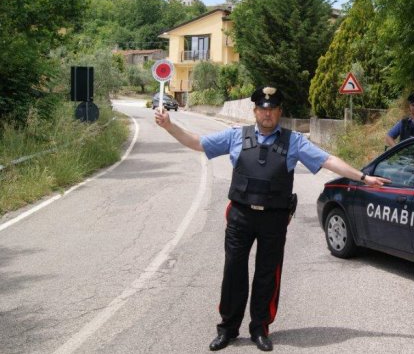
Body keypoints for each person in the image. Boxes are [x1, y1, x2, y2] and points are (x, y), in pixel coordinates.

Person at [154, 86, 389, 352]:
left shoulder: (294, 142)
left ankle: (260, 329)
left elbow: (328, 160)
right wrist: (169, 126)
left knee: (267, 275)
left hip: (274, 220)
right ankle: (228, 329)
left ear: (279, 112)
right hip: (241, 217)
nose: (267, 114)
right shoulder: (235, 136)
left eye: (272, 109)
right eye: (262, 109)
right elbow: (197, 143)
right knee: (233, 273)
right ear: (255, 111)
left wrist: (363, 177)